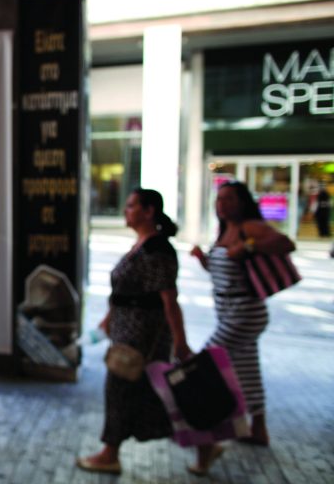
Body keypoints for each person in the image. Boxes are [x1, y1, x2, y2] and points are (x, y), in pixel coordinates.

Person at [77, 188, 192, 475]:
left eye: (131, 206)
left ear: (148, 210)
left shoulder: (158, 249)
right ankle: (204, 442)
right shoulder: (142, 245)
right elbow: (125, 293)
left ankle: (110, 453)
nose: (126, 211)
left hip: (142, 337)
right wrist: (108, 321)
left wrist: (180, 341)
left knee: (121, 391)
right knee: (154, 396)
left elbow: (168, 299)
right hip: (127, 332)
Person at [190, 180, 295, 472]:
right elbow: (226, 271)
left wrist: (249, 245)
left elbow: (287, 243)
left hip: (245, 312)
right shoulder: (225, 231)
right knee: (247, 370)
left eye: (228, 199)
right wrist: (204, 261)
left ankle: (212, 438)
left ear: (242, 202)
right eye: (219, 199)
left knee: (203, 367)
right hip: (230, 312)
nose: (221, 204)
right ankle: (257, 428)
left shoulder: (250, 227)